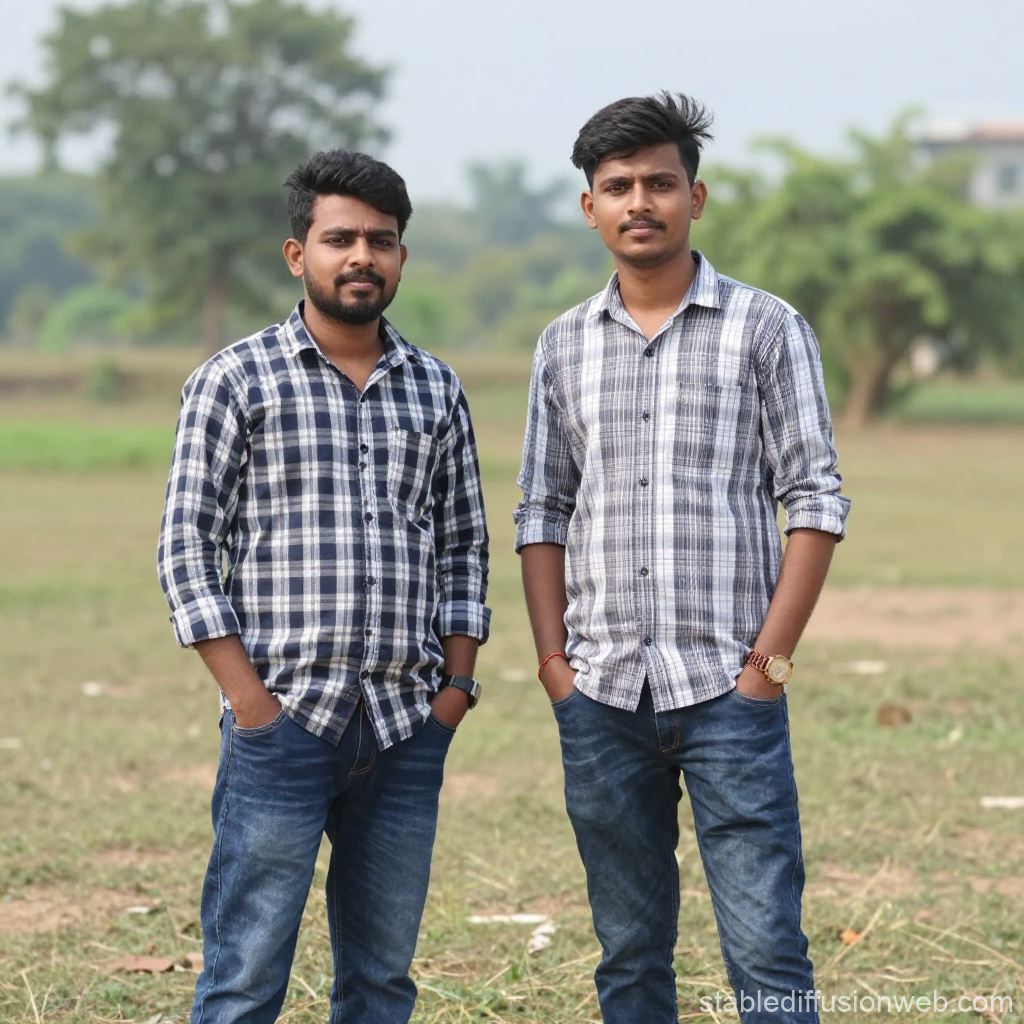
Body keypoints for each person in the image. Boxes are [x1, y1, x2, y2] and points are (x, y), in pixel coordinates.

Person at [514, 93, 850, 1024]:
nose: (640, 202)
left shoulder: (765, 328)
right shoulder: (562, 346)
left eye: (660, 183)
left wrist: (767, 669)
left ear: (695, 198)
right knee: (628, 954)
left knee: (766, 946)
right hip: (602, 695)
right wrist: (554, 668)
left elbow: (815, 499)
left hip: (730, 691)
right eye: (618, 186)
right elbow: (542, 508)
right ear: (590, 207)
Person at [158, 149, 490, 1024]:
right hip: (283, 721)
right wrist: (252, 707)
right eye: (339, 238)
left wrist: (453, 692)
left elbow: (463, 547)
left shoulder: (436, 389)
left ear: (401, 257)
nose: (361, 257)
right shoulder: (236, 380)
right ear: (296, 253)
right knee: (245, 977)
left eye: (381, 240)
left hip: (405, 725)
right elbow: (186, 550)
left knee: (382, 980)